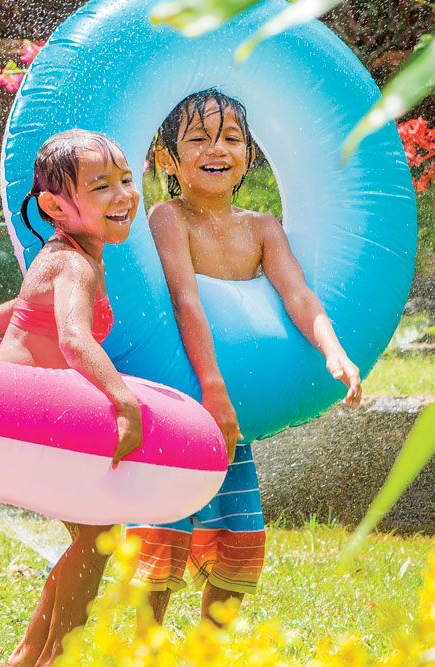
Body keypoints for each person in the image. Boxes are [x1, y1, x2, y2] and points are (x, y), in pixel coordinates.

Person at [127, 89, 363, 629]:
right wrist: (212, 389)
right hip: (188, 398)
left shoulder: (262, 228)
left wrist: (334, 351)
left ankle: (208, 652)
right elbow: (186, 300)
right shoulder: (169, 219)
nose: (218, 149)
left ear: (251, 155)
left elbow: (298, 295)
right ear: (167, 159)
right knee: (164, 532)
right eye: (198, 139)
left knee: (239, 533)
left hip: (235, 409)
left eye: (232, 138)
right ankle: (145, 651)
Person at [0, 129, 143, 666]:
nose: (122, 194)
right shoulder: (73, 262)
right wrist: (124, 401)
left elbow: (21, 309)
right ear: (55, 205)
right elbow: (73, 336)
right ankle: (45, 660)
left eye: (124, 179)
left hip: (31, 421)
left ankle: (30, 658)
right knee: (96, 535)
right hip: (26, 424)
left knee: (94, 534)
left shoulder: (68, 256)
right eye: (101, 187)